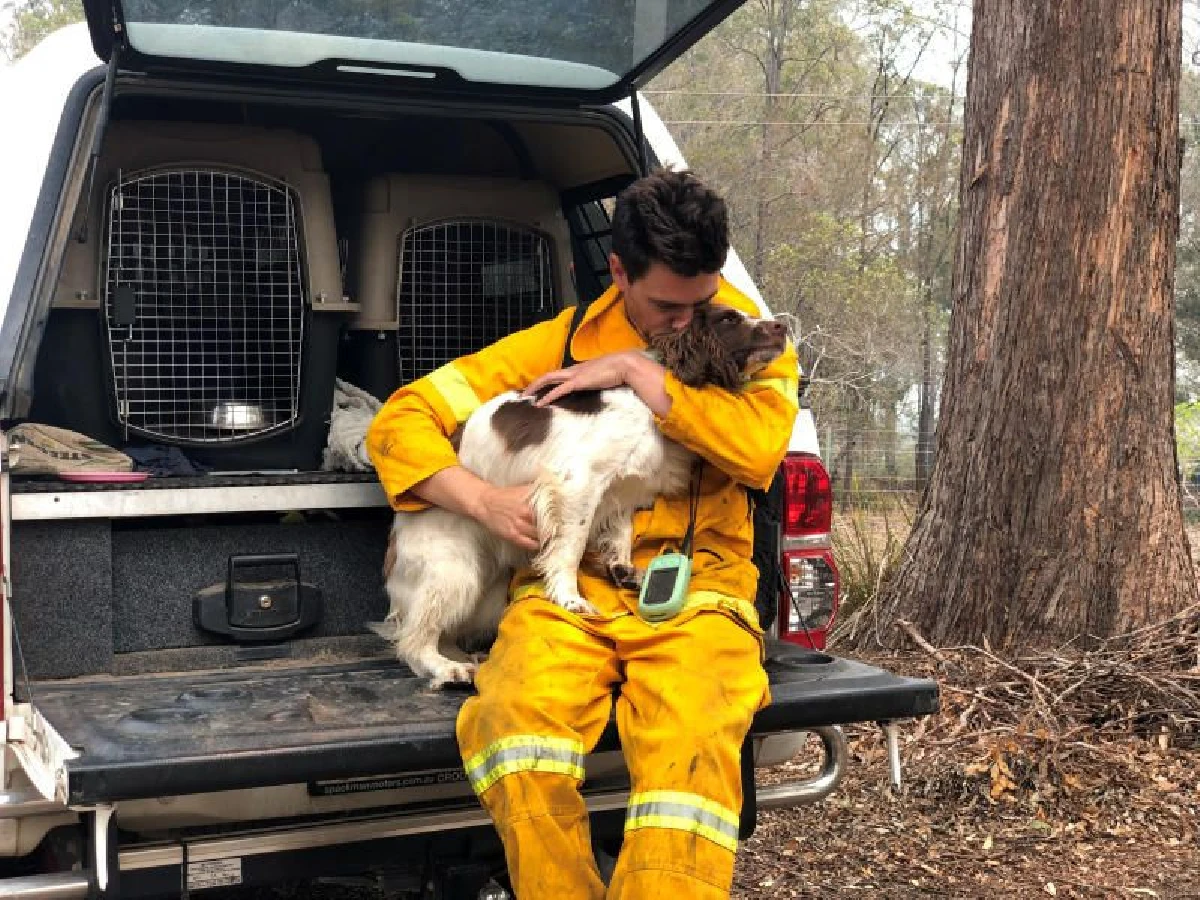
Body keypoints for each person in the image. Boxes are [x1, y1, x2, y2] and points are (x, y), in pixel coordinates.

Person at [366, 168, 800, 899]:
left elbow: (756, 449)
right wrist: (479, 499)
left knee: (689, 753)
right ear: (619, 270)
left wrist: (638, 367)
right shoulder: (558, 343)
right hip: (564, 589)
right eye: (667, 306)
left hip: (700, 593)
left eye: (703, 302)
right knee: (513, 729)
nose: (688, 322)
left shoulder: (748, 339)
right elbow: (399, 420)